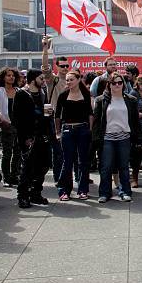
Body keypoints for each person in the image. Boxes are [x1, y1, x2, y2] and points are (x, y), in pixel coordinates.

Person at [93, 72, 140, 203]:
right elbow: (97, 122)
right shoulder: (101, 100)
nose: (117, 85)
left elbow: (135, 121)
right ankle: (104, 193)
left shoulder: (130, 100)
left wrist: (138, 137)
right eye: (114, 83)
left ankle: (125, 191)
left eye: (120, 82)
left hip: (124, 137)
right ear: (109, 85)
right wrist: (95, 139)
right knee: (106, 166)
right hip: (107, 138)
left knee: (124, 166)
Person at [12, 70, 52, 209]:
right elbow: (16, 118)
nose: (43, 81)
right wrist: (25, 138)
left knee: (43, 166)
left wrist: (48, 114)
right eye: (41, 78)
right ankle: (23, 196)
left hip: (42, 135)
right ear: (33, 79)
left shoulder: (42, 93)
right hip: (28, 137)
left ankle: (36, 193)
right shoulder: (22, 94)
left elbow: (46, 113)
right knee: (28, 168)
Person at [55, 71, 93, 201]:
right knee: (68, 161)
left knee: (83, 161)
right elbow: (57, 115)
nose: (69, 82)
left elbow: (90, 113)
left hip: (83, 129)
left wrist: (90, 130)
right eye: (67, 80)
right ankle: (64, 190)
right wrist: (58, 132)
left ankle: (83, 190)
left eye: (71, 79)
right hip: (68, 130)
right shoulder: (63, 95)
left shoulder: (86, 94)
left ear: (78, 80)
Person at [41, 36, 70, 183]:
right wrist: (45, 49)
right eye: (62, 66)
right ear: (57, 67)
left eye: (67, 66)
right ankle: (59, 179)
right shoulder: (53, 80)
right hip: (55, 120)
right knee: (58, 152)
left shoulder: (73, 80)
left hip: (71, 120)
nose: (65, 68)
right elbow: (45, 68)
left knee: (69, 152)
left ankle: (67, 177)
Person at [0, 67, 21, 187]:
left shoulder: (18, 91)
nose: (11, 77)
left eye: (13, 75)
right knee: (7, 153)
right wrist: (1, 119)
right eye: (8, 75)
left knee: (17, 153)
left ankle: (15, 176)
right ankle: (6, 178)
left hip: (18, 126)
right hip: (5, 126)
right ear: (3, 77)